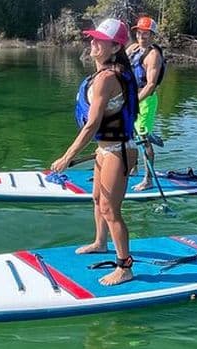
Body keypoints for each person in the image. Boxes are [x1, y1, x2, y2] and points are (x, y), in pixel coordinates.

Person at [50, 18, 139, 286]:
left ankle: (124, 267)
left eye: (99, 40)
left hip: (117, 149)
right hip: (106, 149)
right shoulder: (106, 74)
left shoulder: (107, 79)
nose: (93, 42)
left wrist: (67, 157)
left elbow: (92, 125)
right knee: (97, 199)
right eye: (92, 38)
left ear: (115, 47)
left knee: (111, 209)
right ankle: (100, 242)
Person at [126, 16, 165, 191]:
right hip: (131, 99)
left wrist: (134, 101)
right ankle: (132, 169)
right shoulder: (133, 49)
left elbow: (150, 85)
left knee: (142, 139)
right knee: (128, 135)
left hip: (146, 101)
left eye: (146, 33)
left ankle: (148, 180)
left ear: (152, 36)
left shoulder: (153, 55)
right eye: (139, 32)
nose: (142, 36)